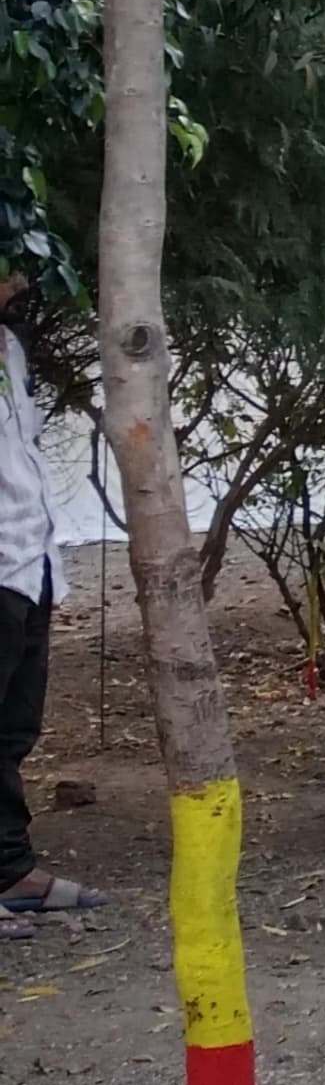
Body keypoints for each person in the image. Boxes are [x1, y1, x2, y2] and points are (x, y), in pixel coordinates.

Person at [0, 268, 92, 931]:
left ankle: (8, 870)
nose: (21, 276)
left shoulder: (8, 344)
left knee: (13, 729)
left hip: (26, 560)